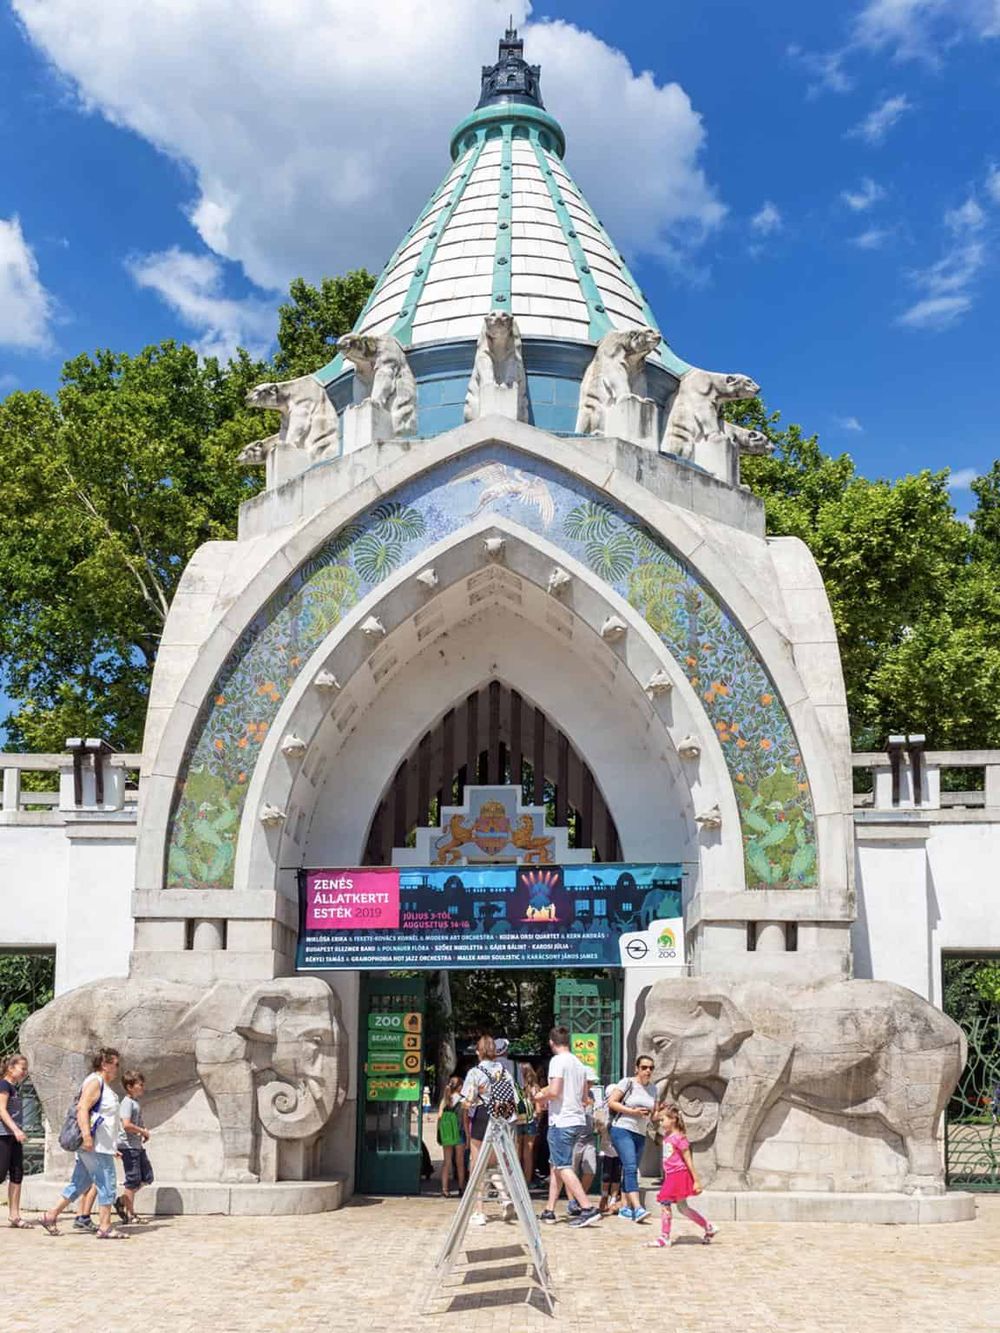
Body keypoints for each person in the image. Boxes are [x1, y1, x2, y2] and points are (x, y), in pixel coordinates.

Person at [39, 1046, 128, 1240]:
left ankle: (50, 1215)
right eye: (116, 1064)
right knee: (107, 1182)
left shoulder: (101, 1083)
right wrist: (87, 1137)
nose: (118, 1068)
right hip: (94, 1146)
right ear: (105, 1064)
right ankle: (105, 1226)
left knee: (80, 1182)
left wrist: (113, 1147)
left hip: (100, 1146)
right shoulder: (95, 1082)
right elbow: (82, 1109)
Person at [534, 1026, 600, 1228]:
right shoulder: (579, 1064)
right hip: (576, 1119)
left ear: (551, 1043)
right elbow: (583, 1097)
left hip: (561, 1121)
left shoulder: (557, 1061)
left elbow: (554, 1091)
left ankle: (587, 1207)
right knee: (556, 1165)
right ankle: (550, 1210)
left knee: (563, 1166)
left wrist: (540, 1096)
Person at [460, 1035, 515, 1226]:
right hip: (500, 1117)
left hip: (482, 1116)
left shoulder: (475, 1072)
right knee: (492, 1163)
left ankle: (479, 1211)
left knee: (477, 1165)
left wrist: (474, 1099)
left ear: (479, 1051)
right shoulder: (504, 1070)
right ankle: (505, 1197)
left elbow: (466, 1101)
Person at [647, 1102, 717, 1249]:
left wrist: (696, 1181)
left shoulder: (680, 1138)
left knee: (665, 1201)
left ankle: (664, 1237)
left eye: (663, 1120)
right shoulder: (667, 1136)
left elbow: (688, 1160)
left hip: (678, 1174)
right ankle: (708, 1227)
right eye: (660, 1120)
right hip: (671, 1175)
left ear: (673, 1119)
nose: (661, 1122)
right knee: (683, 1208)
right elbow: (653, 1127)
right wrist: (657, 1113)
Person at [607, 1054, 658, 1222]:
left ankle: (625, 1206)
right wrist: (633, 1112)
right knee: (630, 1167)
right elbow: (612, 1102)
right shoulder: (627, 1082)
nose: (647, 1071)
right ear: (637, 1068)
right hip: (622, 1128)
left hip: (640, 1132)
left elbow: (654, 1114)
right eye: (644, 1067)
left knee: (630, 1168)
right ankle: (637, 1208)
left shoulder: (654, 1089)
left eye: (651, 1068)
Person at [114, 1070, 153, 1225]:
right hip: (128, 1147)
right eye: (140, 1085)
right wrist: (142, 1130)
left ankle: (123, 1200)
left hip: (136, 1146)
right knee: (133, 1181)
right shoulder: (126, 1104)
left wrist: (143, 1132)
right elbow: (126, 1125)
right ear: (130, 1087)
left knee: (147, 1177)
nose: (142, 1087)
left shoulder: (134, 1103)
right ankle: (131, 1213)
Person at [0, 1053, 32, 1229]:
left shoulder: (15, 1087)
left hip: (14, 1137)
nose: (25, 1072)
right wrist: (15, 1129)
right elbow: (1, 1110)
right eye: (22, 1068)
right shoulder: (4, 1085)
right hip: (3, 1135)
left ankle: (14, 1215)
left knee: (17, 1174)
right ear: (11, 1068)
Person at [436, 1075, 466, 1198]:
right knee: (460, 1162)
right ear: (459, 1087)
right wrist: (468, 1137)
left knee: (446, 1162)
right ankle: (461, 1187)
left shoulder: (445, 1100)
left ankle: (445, 1189)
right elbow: (464, 1120)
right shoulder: (462, 1101)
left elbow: (439, 1117)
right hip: (459, 1133)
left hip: (447, 1133)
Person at [518, 1064, 541, 1182]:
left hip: (517, 1121)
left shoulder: (516, 1087)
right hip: (531, 1121)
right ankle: (526, 1182)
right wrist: (538, 1121)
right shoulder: (535, 1088)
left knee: (517, 1153)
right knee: (528, 1154)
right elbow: (538, 1110)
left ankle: (516, 1181)